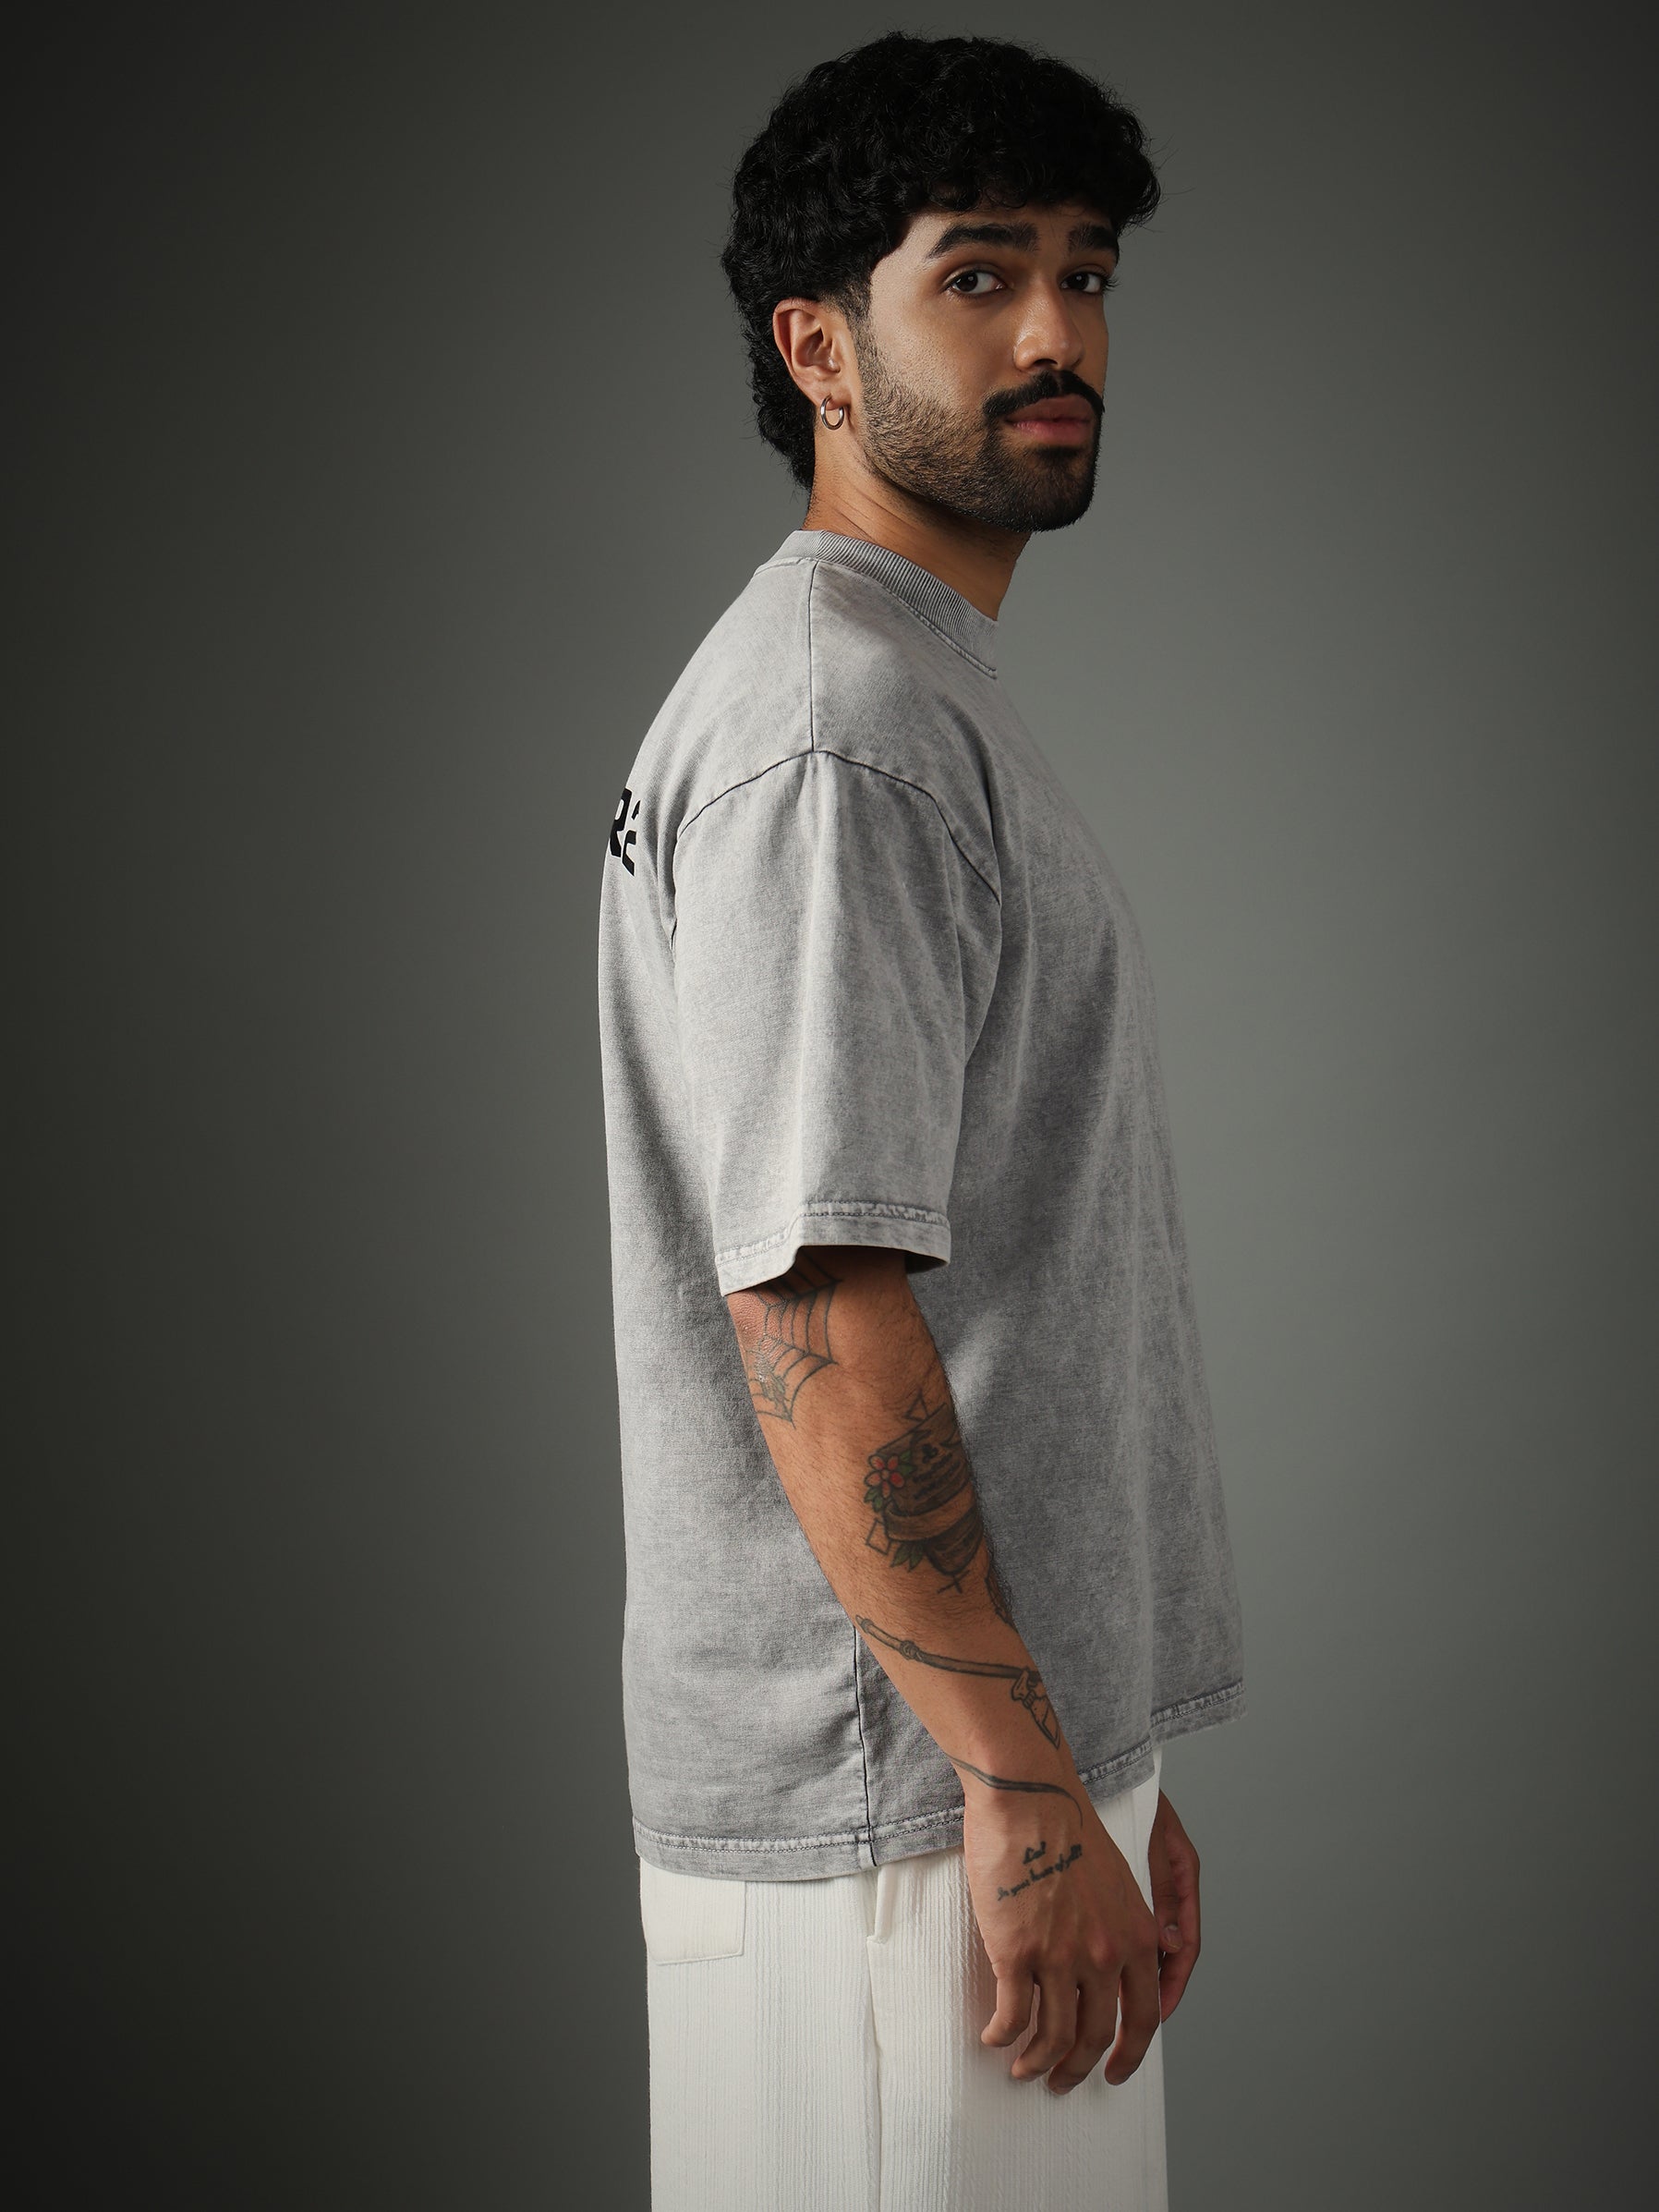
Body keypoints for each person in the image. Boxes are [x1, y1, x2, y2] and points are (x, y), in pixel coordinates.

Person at [596, 31, 1246, 2210]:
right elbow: (814, 1308)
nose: (1057, 331)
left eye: (1086, 273)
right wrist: (1020, 1783)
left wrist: (1088, 1756)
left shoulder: (904, 683)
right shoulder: (833, 733)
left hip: (964, 1772)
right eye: (979, 274)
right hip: (893, 1811)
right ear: (817, 346)